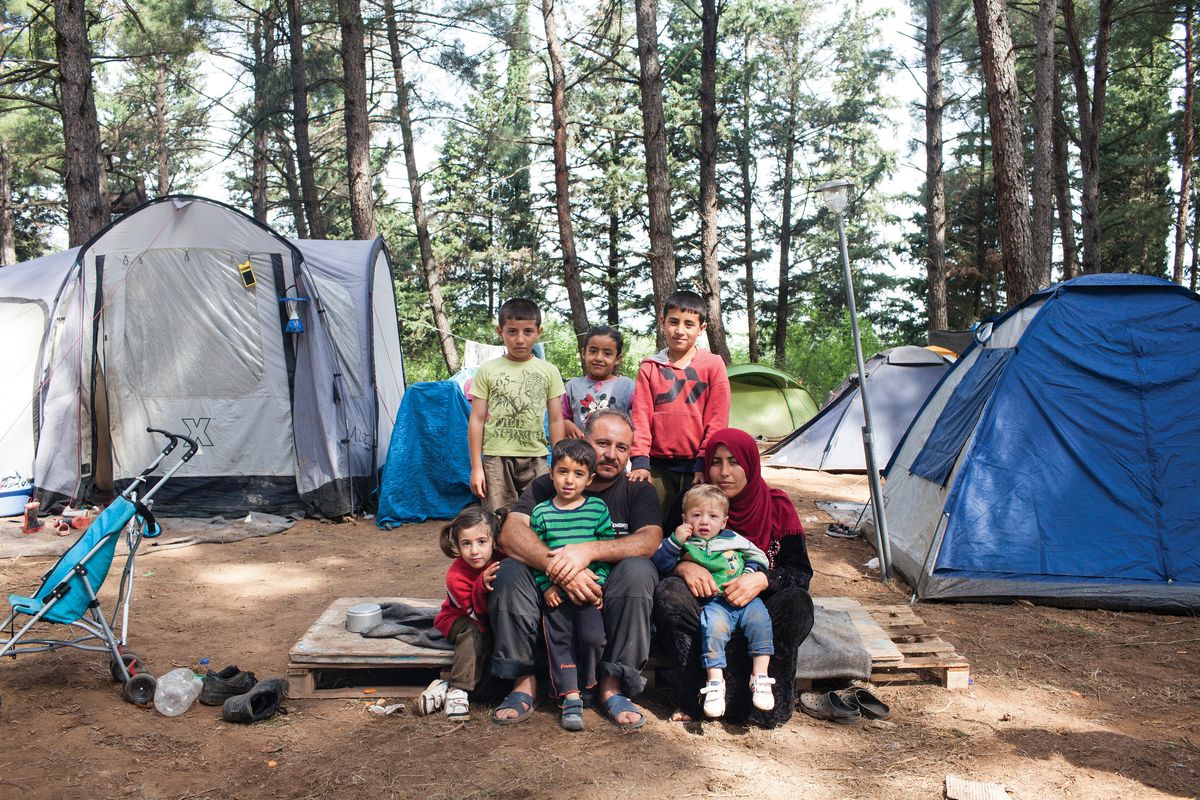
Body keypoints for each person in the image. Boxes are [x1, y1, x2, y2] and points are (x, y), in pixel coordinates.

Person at [489, 408, 661, 730]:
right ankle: (523, 681)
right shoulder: (549, 484)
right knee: (509, 571)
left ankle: (613, 685)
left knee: (639, 571)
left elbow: (649, 540)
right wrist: (559, 568)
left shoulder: (637, 489)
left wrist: (588, 551)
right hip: (551, 587)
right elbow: (510, 533)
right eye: (603, 443)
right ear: (584, 440)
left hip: (606, 588)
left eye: (622, 447)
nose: (611, 454)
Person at [652, 428, 814, 728]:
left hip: (759, 610)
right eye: (716, 462)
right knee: (669, 592)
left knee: (797, 602)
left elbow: (800, 573)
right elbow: (661, 556)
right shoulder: (692, 504)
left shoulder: (776, 506)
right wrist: (683, 568)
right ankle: (694, 697)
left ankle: (763, 699)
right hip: (707, 606)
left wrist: (763, 579)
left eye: (735, 462)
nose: (724, 472)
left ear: (751, 464)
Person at [651, 484, 776, 718]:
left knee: (761, 623)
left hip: (746, 598)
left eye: (713, 516)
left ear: (724, 522)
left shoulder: (733, 539)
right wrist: (675, 541)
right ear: (684, 518)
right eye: (697, 515)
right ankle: (715, 684)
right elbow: (660, 564)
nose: (704, 522)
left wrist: (748, 574)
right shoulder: (684, 543)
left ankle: (760, 677)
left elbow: (759, 556)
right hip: (715, 603)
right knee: (714, 631)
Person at [530, 439, 616, 730]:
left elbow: (606, 550)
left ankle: (588, 684)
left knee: (593, 637)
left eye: (578, 474)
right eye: (563, 472)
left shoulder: (597, 509)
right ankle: (570, 696)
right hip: (557, 596)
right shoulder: (541, 513)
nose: (569, 480)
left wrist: (598, 584)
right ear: (551, 473)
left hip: (588, 594)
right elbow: (537, 557)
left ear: (590, 479)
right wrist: (547, 586)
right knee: (560, 640)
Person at [628, 289, 730, 517]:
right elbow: (641, 417)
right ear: (662, 321)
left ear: (701, 328)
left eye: (689, 324)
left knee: (696, 524)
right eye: (673, 322)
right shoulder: (650, 367)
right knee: (652, 522)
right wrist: (640, 461)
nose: (680, 330)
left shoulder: (713, 365)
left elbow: (717, 419)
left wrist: (703, 462)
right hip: (657, 467)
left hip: (698, 467)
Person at [468, 297, 566, 515]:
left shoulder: (549, 371)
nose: (520, 339)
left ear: (538, 332)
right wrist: (476, 467)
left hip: (536, 457)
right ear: (500, 331)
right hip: (496, 459)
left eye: (528, 332)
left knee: (540, 514)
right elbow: (476, 419)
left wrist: (559, 463)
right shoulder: (487, 370)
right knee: (499, 516)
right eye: (512, 331)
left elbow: (556, 419)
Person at [432, 505, 502, 721]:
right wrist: (480, 585)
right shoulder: (456, 577)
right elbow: (476, 616)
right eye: (466, 543)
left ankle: (444, 687)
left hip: (486, 618)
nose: (474, 551)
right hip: (458, 618)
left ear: (494, 541)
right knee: (473, 634)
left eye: (481, 542)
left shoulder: (500, 560)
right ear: (457, 545)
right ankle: (457, 689)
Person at [561, 325, 636, 439]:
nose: (599, 358)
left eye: (607, 353)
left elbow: (640, 421)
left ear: (617, 359)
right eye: (593, 351)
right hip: (581, 449)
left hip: (615, 449)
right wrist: (565, 423)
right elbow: (559, 418)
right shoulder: (572, 387)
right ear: (583, 353)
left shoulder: (627, 386)